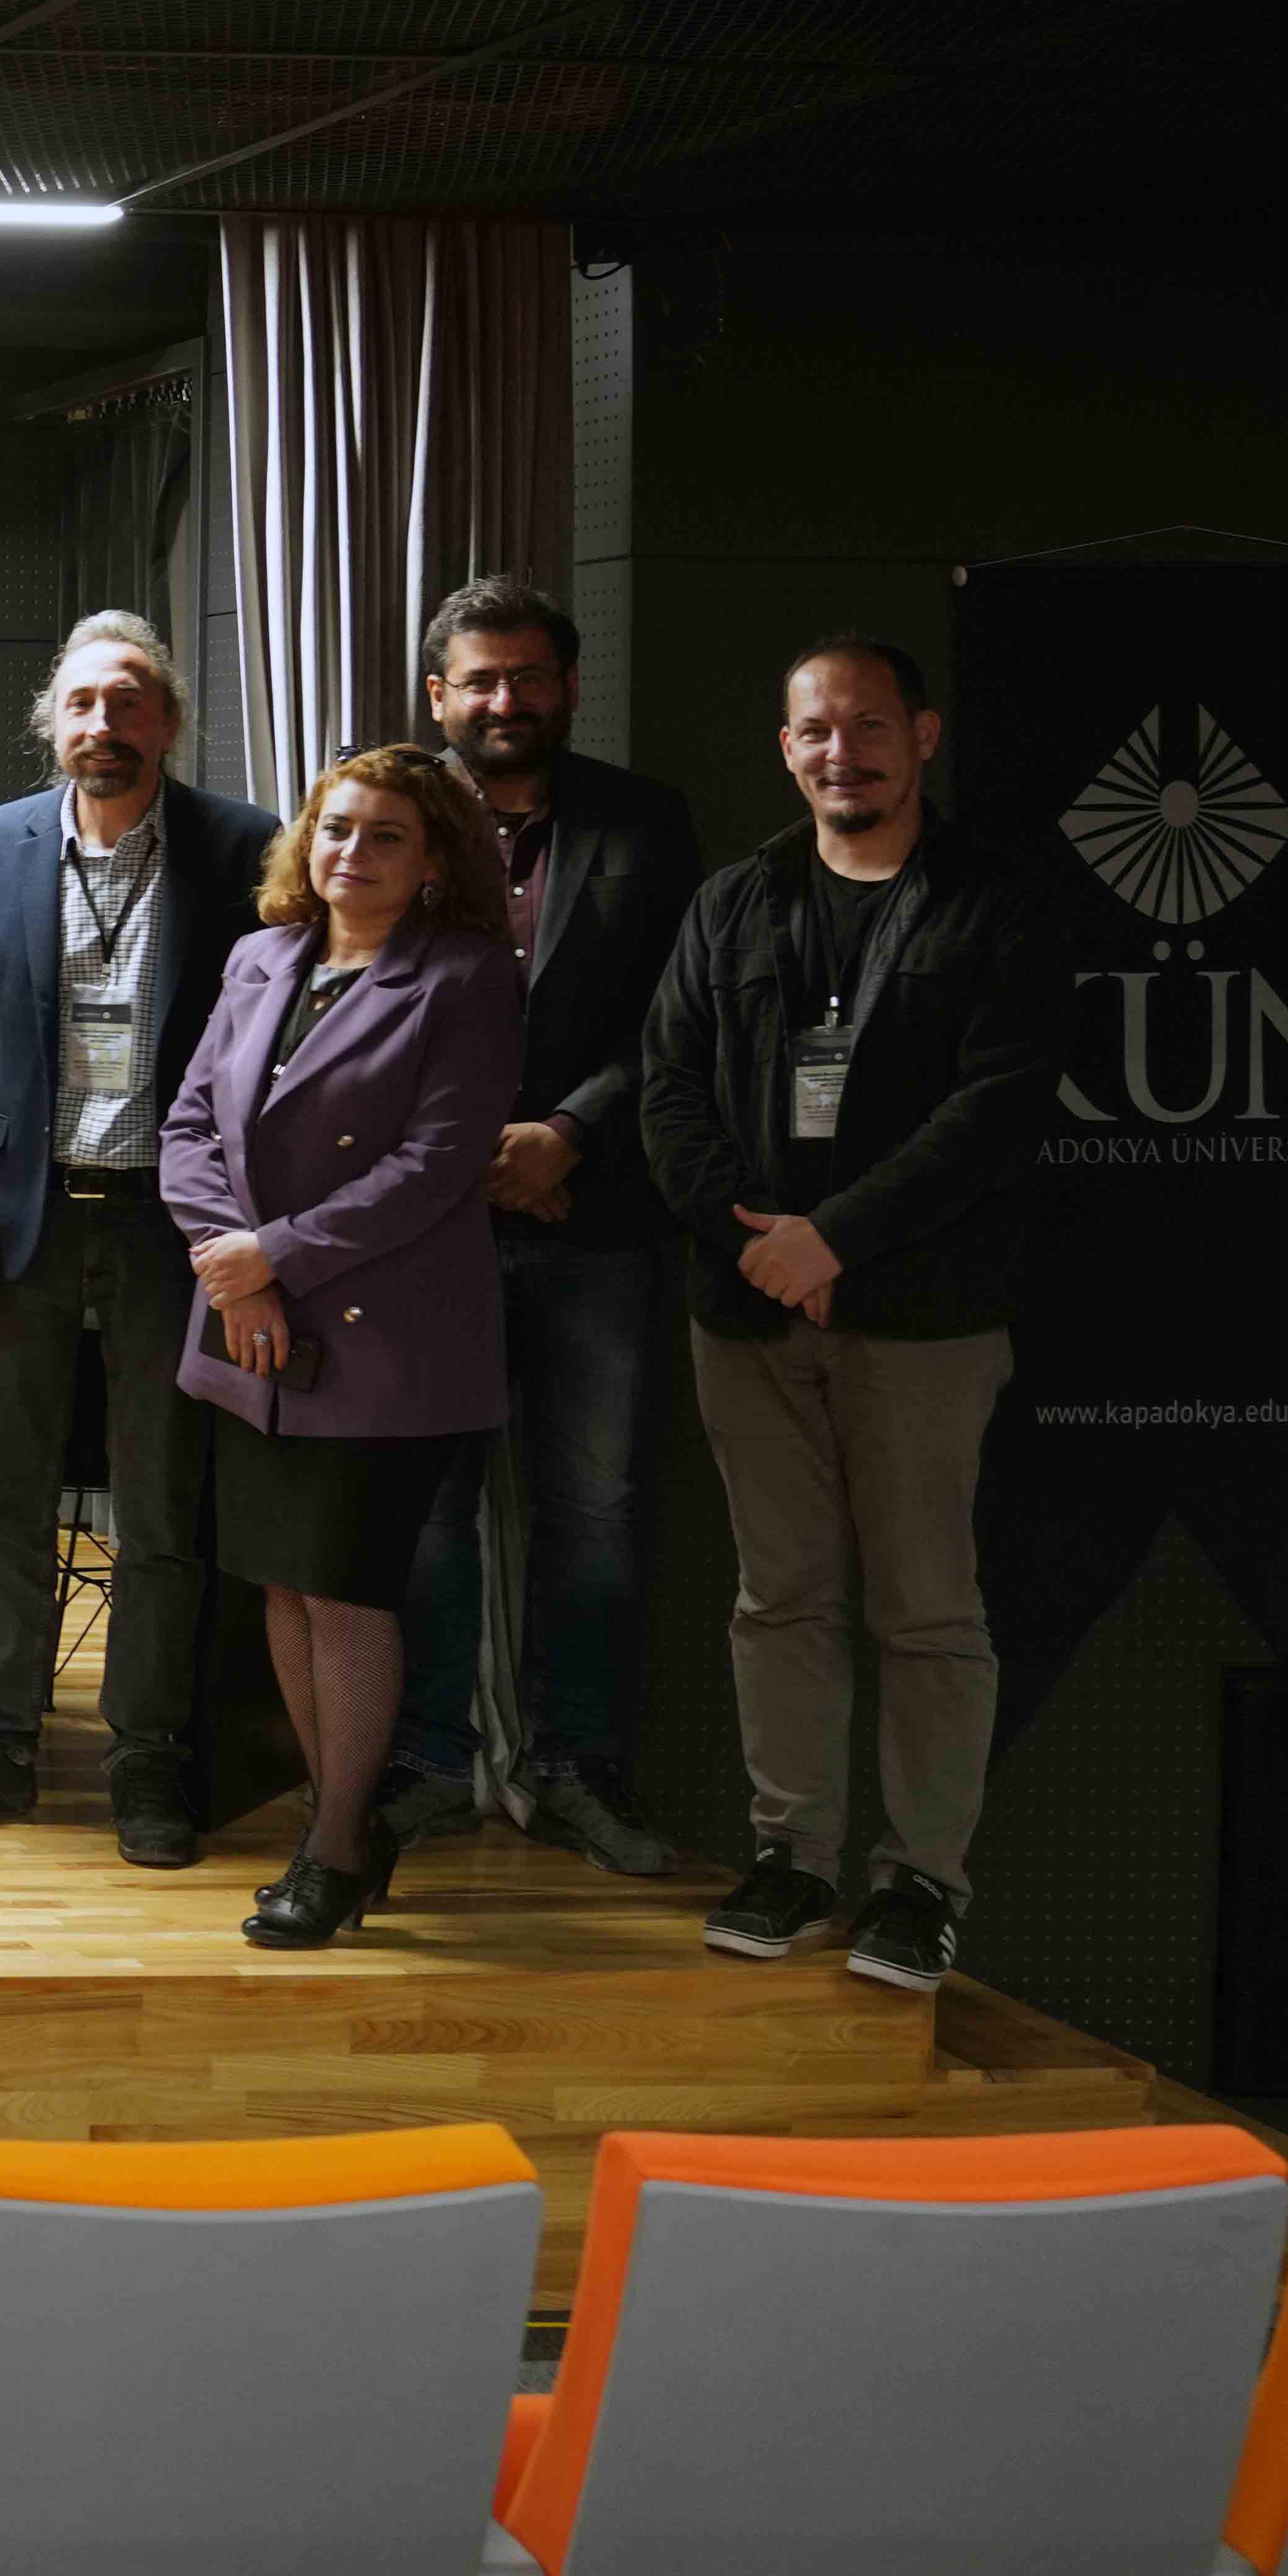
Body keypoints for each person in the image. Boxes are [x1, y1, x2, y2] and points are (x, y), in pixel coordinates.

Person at [636, 634, 1071, 1993]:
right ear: (788, 750)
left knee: (929, 1611)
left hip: (923, 1319)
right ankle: (795, 1858)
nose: (845, 752)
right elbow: (669, 1092)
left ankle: (922, 1883)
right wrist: (756, 1241)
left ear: (922, 738)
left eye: (870, 727)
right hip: (749, 1314)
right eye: (818, 731)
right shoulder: (734, 903)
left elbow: (993, 1113)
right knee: (781, 1600)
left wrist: (840, 1238)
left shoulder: (999, 902)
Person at [0, 616, 276, 1850]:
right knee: (9, 1499)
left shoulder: (242, 849)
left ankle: (151, 1757)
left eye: (128, 703)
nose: (102, 727)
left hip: (181, 1230)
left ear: (166, 720)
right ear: (50, 724)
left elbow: (269, 1054)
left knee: (164, 1504)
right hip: (25, 1219)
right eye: (81, 706)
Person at [161, 746, 523, 1951]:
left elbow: (435, 1166)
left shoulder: (467, 975)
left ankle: (331, 1847)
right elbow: (190, 1126)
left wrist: (276, 1260)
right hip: (249, 1324)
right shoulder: (260, 955)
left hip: (383, 1336)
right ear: (304, 842)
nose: (351, 856)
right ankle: (343, 1824)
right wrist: (235, 1269)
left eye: (384, 839)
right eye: (337, 829)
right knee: (279, 1581)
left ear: (433, 867)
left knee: (345, 1588)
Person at [383, 576, 704, 1874]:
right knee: (427, 1512)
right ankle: (427, 1764)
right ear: (438, 695)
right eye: (482, 679)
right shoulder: (386, 820)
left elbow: (683, 1015)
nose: (507, 700)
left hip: (599, 1215)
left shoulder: (649, 821)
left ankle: (578, 1768)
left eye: (530, 677)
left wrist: (568, 1131)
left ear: (568, 687)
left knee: (598, 1509)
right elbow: (337, 1002)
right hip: (421, 1229)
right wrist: (468, 1158)